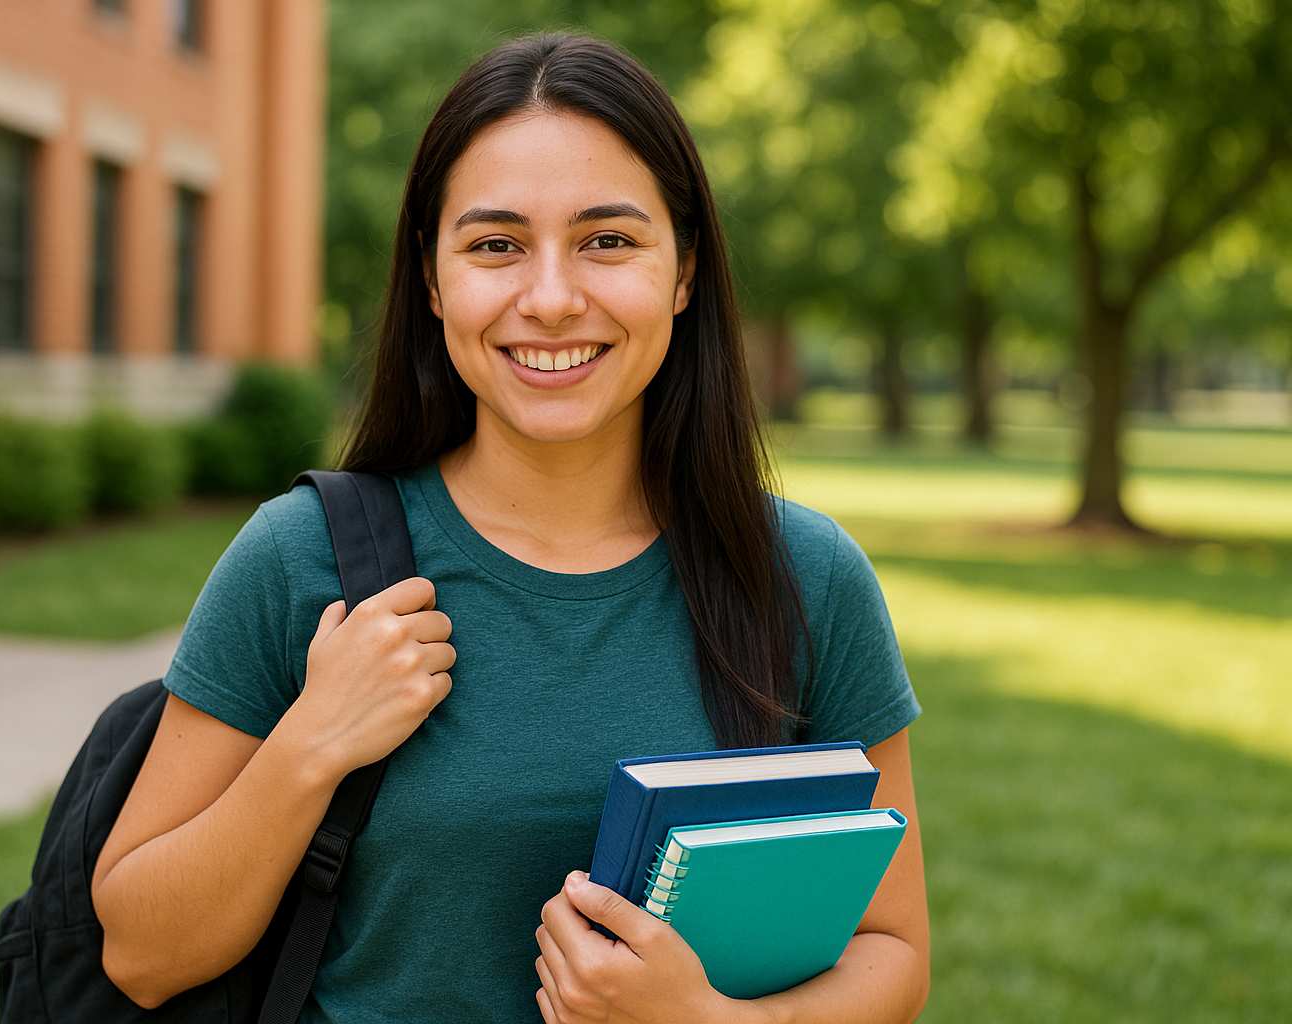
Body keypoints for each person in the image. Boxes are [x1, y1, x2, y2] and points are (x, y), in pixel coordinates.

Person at [91, 30, 928, 1024]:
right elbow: (141, 955)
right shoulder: (300, 558)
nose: (551, 299)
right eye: (496, 245)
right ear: (434, 280)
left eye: (607, 241)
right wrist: (311, 744)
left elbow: (893, 950)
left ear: (685, 272)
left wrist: (712, 1022)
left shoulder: (804, 575)